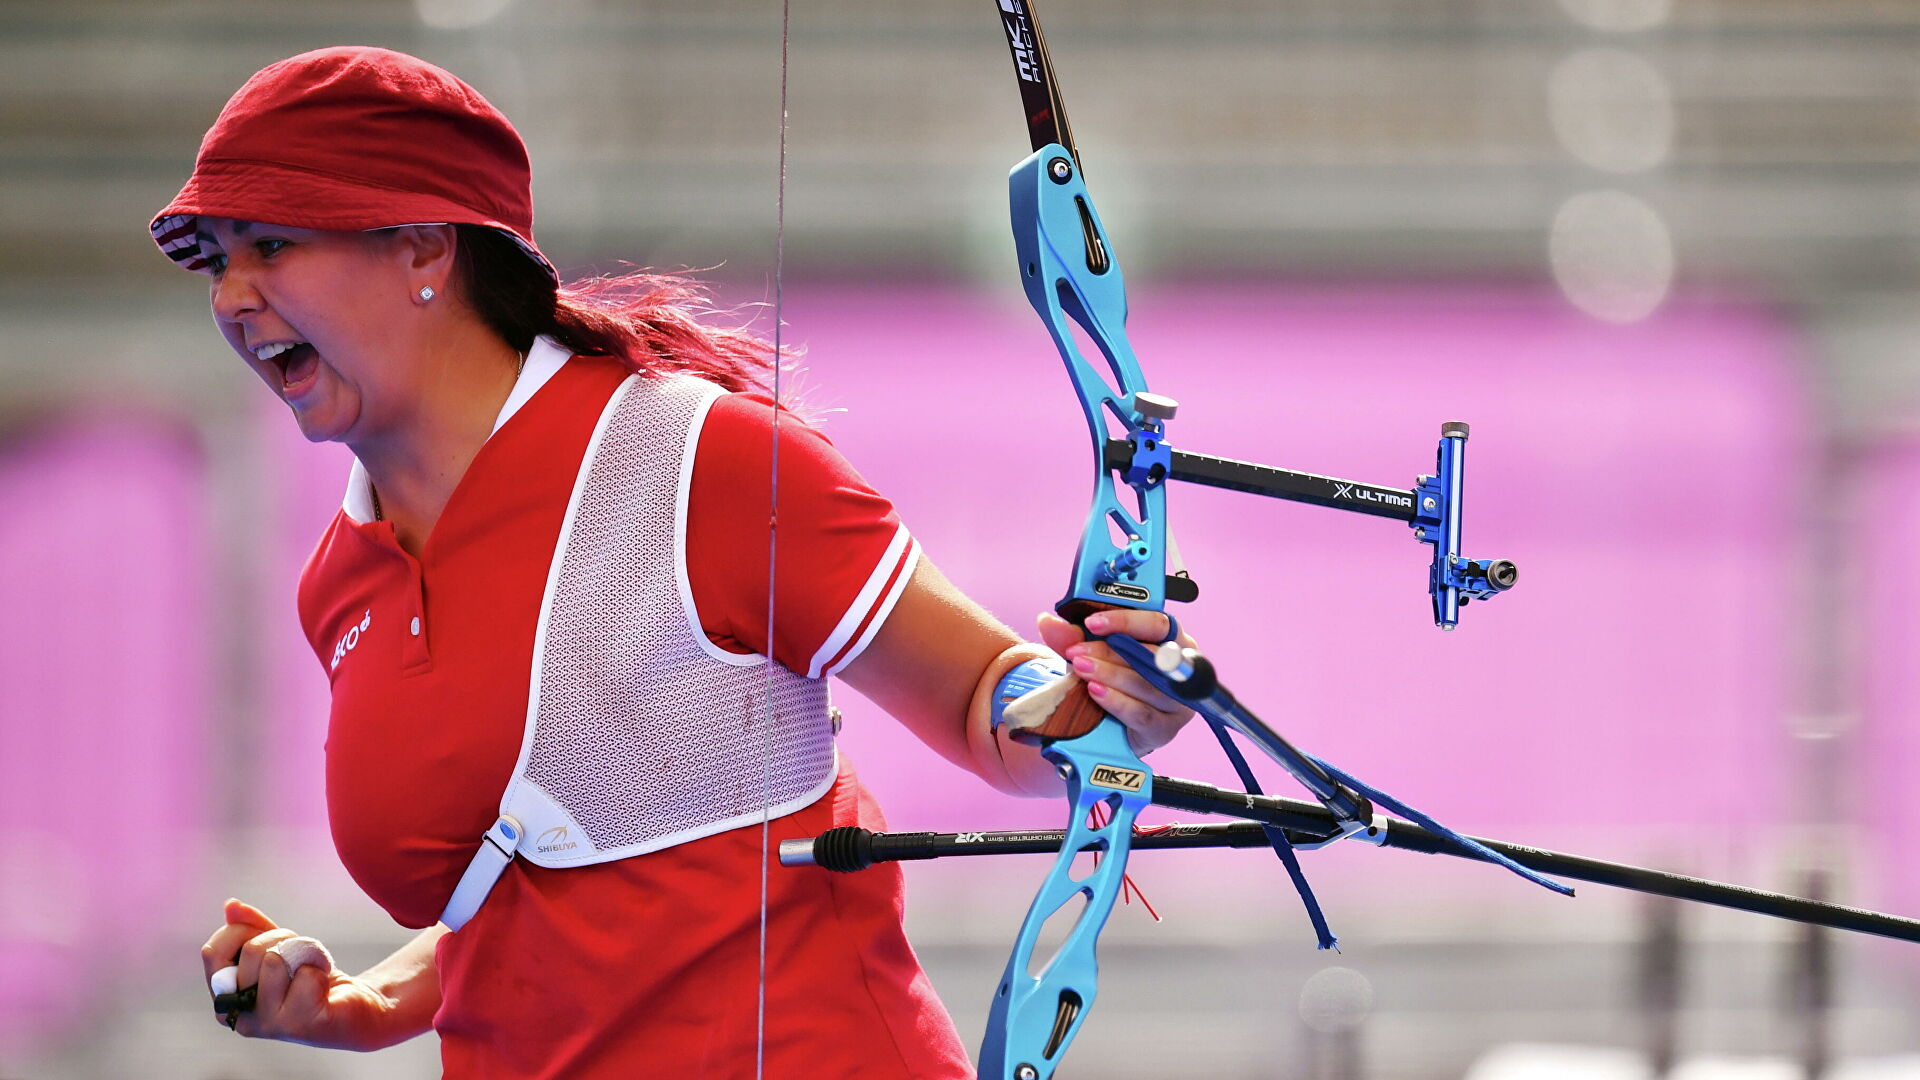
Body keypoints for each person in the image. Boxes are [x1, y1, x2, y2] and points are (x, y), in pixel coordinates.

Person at [159, 46, 1194, 1078]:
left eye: (271, 245)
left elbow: (982, 695)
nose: (231, 298)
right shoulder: (341, 578)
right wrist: (364, 1003)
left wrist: (1097, 702)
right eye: (215, 259)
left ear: (425, 248)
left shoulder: (700, 460)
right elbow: (547, 867)